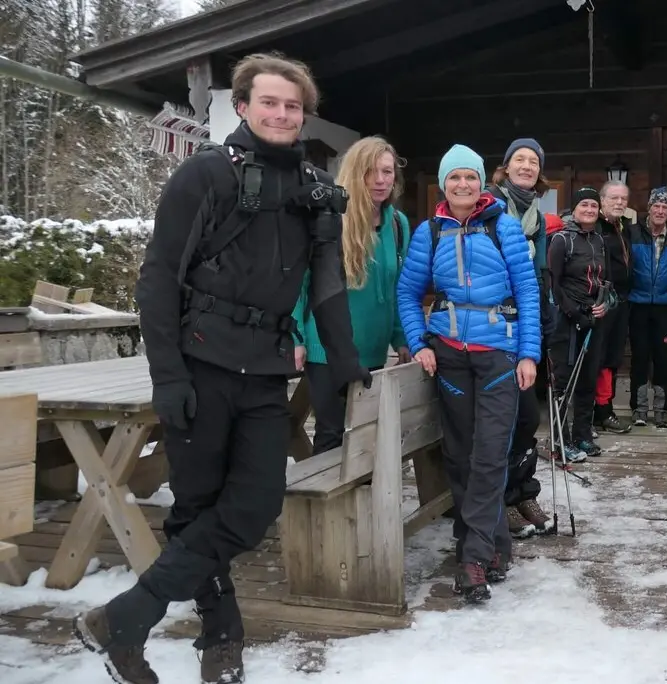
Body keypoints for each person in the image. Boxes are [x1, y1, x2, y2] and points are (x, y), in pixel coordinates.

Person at [74, 53, 368, 684]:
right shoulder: (203, 175)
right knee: (197, 506)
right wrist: (168, 376)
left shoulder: (311, 189)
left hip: (264, 371)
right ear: (242, 106)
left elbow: (325, 284)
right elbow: (156, 282)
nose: (282, 114)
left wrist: (344, 361)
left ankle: (128, 615)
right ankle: (221, 637)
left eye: (293, 106)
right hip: (200, 363)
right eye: (270, 102)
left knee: (255, 504)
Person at [396, 143, 541, 604]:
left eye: (471, 177)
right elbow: (407, 293)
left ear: (483, 182)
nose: (463, 185)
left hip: (498, 354)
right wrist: (419, 343)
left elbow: (529, 294)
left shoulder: (506, 228)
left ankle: (473, 558)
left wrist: (528, 354)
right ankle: (495, 545)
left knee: (490, 453)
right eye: (454, 177)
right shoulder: (429, 232)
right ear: (443, 183)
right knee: (459, 455)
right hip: (450, 356)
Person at [292, 135, 411, 455]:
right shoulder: (331, 218)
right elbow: (301, 282)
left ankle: (363, 507)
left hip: (373, 350)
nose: (380, 180)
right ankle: (327, 508)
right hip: (326, 351)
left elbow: (398, 287)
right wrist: (296, 337)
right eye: (371, 171)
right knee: (331, 440)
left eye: (387, 172)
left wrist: (402, 338)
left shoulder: (398, 224)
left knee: (366, 445)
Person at [485, 137, 554, 538]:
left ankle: (524, 490)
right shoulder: (490, 206)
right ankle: (502, 498)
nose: (527, 166)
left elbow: (540, 273)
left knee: (528, 417)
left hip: (525, 323)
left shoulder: (538, 217)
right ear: (506, 167)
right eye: (520, 159)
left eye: (533, 161)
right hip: (494, 326)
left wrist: (546, 321)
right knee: (504, 418)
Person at [547, 187, 613, 459]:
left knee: (587, 379)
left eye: (594, 206)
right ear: (574, 209)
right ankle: (560, 441)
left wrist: (604, 304)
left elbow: (605, 281)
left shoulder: (599, 240)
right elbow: (554, 282)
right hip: (568, 320)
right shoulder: (562, 239)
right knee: (564, 380)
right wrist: (575, 313)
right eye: (584, 205)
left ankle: (582, 436)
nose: (589, 210)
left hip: (593, 318)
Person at [627, 186, 667, 428]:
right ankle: (639, 409)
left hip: (664, 306)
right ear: (649, 208)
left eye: (665, 207)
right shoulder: (633, 233)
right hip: (637, 304)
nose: (660, 211)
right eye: (657, 206)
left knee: (663, 358)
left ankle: (662, 410)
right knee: (640, 357)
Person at [593, 180, 633, 434]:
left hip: (622, 300)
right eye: (614, 198)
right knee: (598, 357)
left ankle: (605, 409)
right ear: (602, 200)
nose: (619, 203)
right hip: (601, 300)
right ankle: (597, 411)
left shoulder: (623, 227)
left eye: (624, 199)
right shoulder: (596, 226)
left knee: (612, 357)